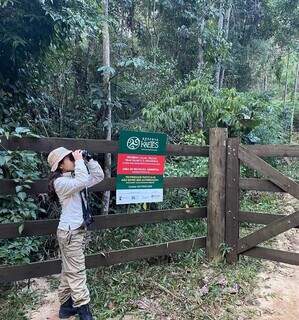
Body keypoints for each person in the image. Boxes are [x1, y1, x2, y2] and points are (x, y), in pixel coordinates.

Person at [47, 147, 104, 320]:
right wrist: (79, 162)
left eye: (72, 157)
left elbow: (98, 176)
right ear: (61, 166)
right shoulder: (60, 183)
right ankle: (84, 311)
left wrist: (89, 159)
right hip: (70, 233)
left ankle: (66, 307)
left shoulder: (74, 177)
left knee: (68, 270)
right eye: (68, 158)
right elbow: (82, 180)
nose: (73, 159)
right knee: (77, 272)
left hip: (72, 232)